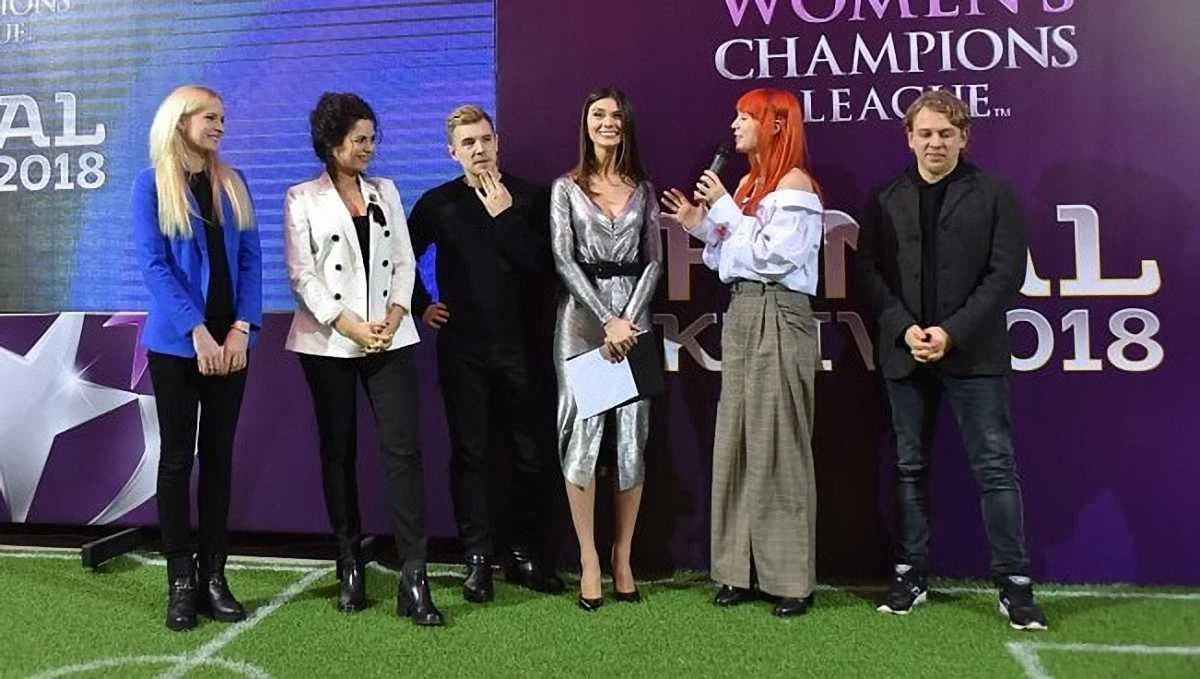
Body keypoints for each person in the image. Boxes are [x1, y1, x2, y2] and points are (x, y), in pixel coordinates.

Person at [855, 90, 1048, 630]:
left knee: (995, 468)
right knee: (909, 467)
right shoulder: (885, 197)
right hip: (906, 353)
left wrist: (952, 332)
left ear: (964, 137)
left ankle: (1015, 585)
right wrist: (904, 328)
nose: (935, 142)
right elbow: (867, 271)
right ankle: (910, 574)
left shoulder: (995, 194)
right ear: (909, 138)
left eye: (946, 133)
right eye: (925, 133)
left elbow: (1005, 274)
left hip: (975, 355)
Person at [661, 88, 822, 617]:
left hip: (779, 310)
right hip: (743, 309)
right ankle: (738, 571)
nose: (734, 126)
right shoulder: (752, 184)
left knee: (779, 443)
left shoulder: (795, 186)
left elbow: (775, 256)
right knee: (736, 440)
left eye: (745, 117)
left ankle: (790, 580)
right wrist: (700, 224)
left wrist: (726, 209)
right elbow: (730, 256)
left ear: (775, 124)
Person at [283, 92, 442, 626]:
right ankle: (348, 561)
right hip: (329, 342)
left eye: (373, 138)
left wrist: (394, 317)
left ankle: (414, 575)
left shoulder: (385, 192)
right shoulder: (301, 198)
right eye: (359, 139)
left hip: (389, 337)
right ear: (332, 143)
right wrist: (348, 324)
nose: (369, 148)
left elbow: (404, 260)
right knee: (339, 451)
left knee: (403, 451)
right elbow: (302, 274)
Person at [408, 104, 564, 602]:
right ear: (452, 152)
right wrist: (420, 304)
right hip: (464, 350)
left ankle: (524, 553)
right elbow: (397, 258)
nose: (479, 150)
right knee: (471, 454)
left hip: (524, 347)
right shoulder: (437, 204)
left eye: (486, 140)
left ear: (498, 142)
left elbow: (547, 269)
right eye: (468, 143)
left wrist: (505, 218)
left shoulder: (533, 198)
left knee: (530, 453)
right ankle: (477, 558)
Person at [132, 84, 261, 631]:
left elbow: (251, 261)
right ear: (180, 121)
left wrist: (240, 330)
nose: (219, 125)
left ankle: (214, 576)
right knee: (177, 461)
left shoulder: (233, 183)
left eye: (222, 117)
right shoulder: (150, 184)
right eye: (210, 116)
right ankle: (181, 581)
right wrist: (198, 333)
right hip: (177, 347)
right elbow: (154, 265)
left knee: (219, 460)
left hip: (232, 345)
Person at [550, 86, 662, 611]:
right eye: (598, 114)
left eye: (616, 114)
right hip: (583, 324)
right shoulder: (566, 188)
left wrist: (628, 320)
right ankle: (589, 558)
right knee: (584, 439)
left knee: (632, 441)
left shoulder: (644, 189)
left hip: (634, 325)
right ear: (585, 123)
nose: (608, 122)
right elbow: (563, 259)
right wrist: (606, 320)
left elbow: (654, 260)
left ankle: (623, 556)